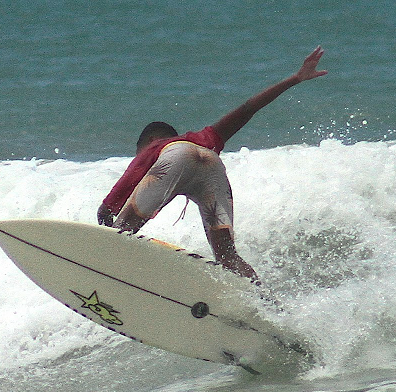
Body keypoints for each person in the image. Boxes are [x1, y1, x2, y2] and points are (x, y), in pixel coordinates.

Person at [97, 46, 328, 280]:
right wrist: (294, 78)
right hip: (212, 163)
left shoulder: (155, 147)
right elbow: (248, 109)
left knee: (122, 230)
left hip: (176, 158)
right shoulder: (205, 138)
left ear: (150, 141)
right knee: (227, 256)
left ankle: (105, 277)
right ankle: (260, 298)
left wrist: (103, 231)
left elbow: (107, 209)